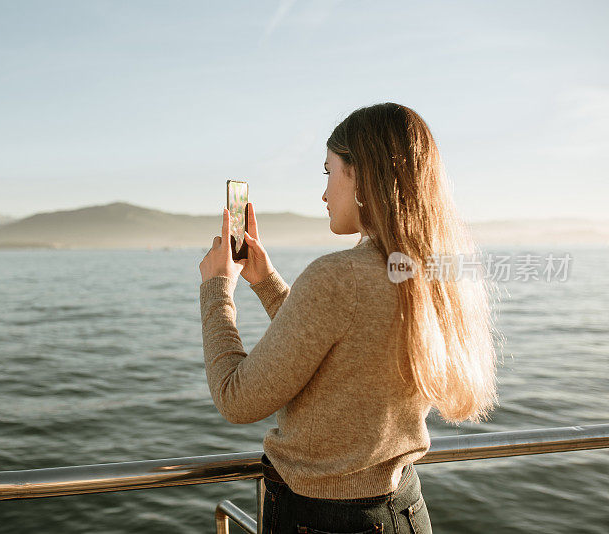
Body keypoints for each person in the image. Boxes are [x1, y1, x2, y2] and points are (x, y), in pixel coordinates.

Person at [198, 102, 499, 534]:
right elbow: (340, 348)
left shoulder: (339, 276)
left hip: (323, 522)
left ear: (362, 174)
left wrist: (216, 289)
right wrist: (265, 281)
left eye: (328, 171)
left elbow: (235, 397)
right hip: (404, 510)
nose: (323, 194)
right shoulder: (429, 271)